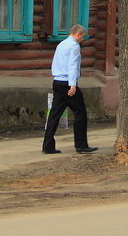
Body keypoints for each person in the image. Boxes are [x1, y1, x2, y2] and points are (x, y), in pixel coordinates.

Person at [42, 24, 97, 155]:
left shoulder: (61, 44)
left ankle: (47, 146)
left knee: (54, 115)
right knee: (80, 113)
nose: (82, 40)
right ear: (78, 34)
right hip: (67, 83)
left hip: (57, 81)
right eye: (82, 37)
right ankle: (81, 145)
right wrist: (72, 84)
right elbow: (72, 66)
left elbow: (56, 62)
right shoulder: (74, 46)